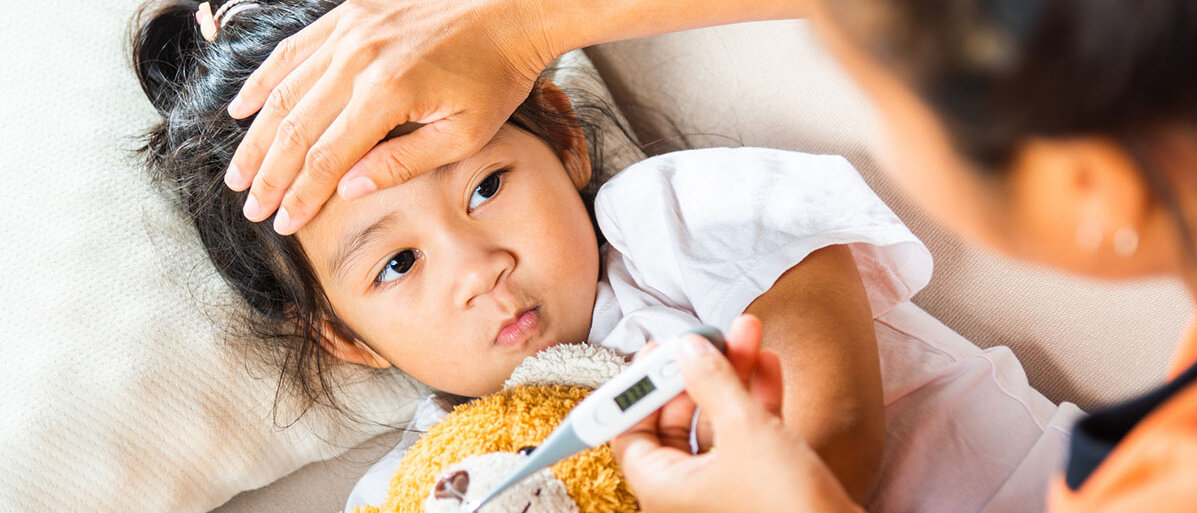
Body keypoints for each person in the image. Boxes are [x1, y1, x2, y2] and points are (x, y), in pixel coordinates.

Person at [218, 0, 1197, 511]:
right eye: (396, 266)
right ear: (340, 336)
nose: (478, 267)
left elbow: (841, 428)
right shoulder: (424, 479)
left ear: (563, 137)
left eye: (486, 189)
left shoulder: (676, 221)